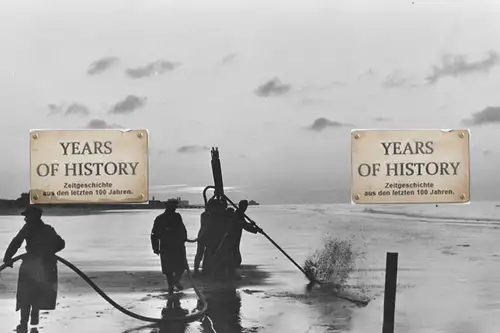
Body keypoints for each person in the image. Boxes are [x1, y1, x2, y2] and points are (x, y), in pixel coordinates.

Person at [2, 205, 66, 333]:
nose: (25, 219)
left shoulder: (28, 228)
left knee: (26, 294)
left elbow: (16, 242)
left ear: (34, 217)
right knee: (37, 292)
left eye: (27, 216)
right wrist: (49, 252)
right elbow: (61, 244)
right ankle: (33, 319)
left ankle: (24, 323)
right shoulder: (48, 229)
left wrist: (7, 258)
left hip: (31, 265)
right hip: (45, 266)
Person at [151, 199, 195, 297]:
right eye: (173, 206)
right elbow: (154, 234)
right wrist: (155, 247)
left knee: (179, 267)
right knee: (169, 269)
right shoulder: (161, 218)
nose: (174, 208)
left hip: (175, 245)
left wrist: (184, 238)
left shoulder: (176, 216)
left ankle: (174, 283)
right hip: (168, 245)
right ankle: (172, 285)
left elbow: (182, 228)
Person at [230, 200, 261, 269]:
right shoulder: (237, 214)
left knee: (235, 255)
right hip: (232, 236)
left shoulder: (240, 214)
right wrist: (256, 229)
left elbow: (245, 225)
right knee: (235, 257)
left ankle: (233, 270)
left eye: (246, 206)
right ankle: (232, 271)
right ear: (240, 206)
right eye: (244, 206)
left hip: (236, 237)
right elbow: (244, 225)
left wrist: (253, 227)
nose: (245, 208)